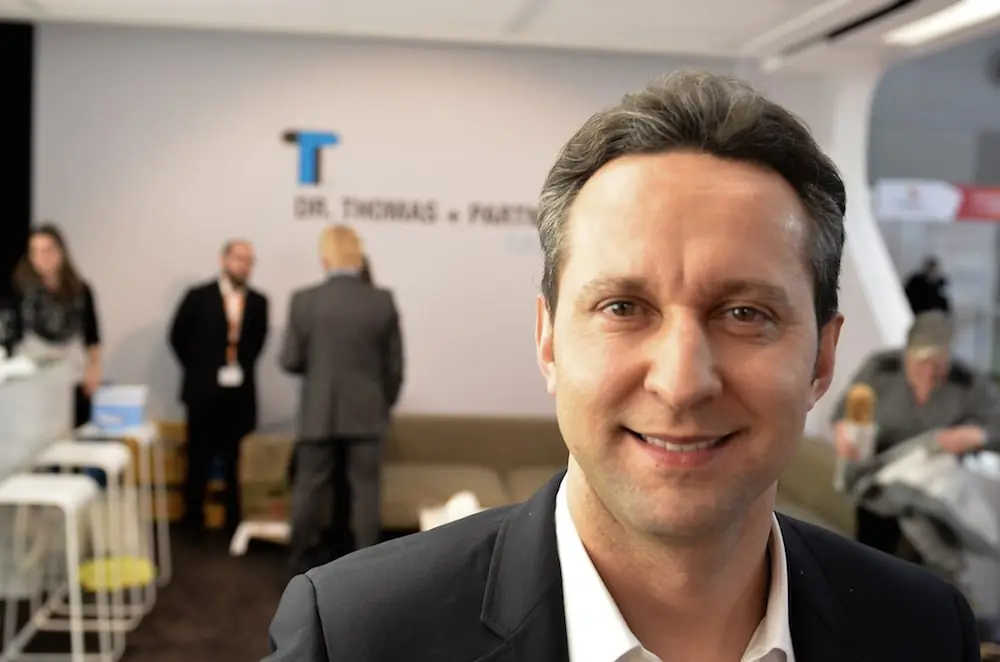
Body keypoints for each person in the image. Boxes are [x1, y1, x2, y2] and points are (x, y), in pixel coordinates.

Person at [264, 72, 979, 661]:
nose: (681, 381)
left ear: (822, 358)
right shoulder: (356, 636)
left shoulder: (924, 632)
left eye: (744, 314)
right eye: (623, 307)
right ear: (548, 341)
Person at [279, 228, 403, 578]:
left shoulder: (303, 300)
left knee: (308, 490)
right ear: (358, 257)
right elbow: (394, 369)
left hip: (317, 413)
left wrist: (320, 373)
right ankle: (365, 574)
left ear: (325, 259)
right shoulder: (382, 301)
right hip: (367, 414)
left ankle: (298, 567)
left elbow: (290, 360)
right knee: (366, 493)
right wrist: (381, 404)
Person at [832, 310, 1000, 561]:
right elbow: (843, 412)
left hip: (930, 489)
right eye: (922, 363)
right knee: (872, 553)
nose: (930, 373)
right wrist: (845, 435)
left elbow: (995, 426)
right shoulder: (882, 368)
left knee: (924, 558)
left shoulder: (967, 383)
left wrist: (976, 435)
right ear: (907, 354)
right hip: (877, 482)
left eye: (938, 365)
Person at [168, 239, 269, 536]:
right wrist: (199, 369)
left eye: (249, 260)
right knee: (197, 458)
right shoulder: (198, 297)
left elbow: (257, 344)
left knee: (234, 461)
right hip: (203, 393)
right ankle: (193, 522)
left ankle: (232, 523)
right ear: (224, 260)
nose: (244, 266)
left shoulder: (258, 302)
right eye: (238, 259)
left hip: (238, 395)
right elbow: (177, 336)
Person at [12, 224, 102, 427]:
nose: (41, 257)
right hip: (33, 371)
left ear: (60, 251)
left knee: (72, 427)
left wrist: (94, 367)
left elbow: (92, 335)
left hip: (71, 369)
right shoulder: (19, 290)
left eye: (47, 250)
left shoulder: (81, 291)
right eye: (35, 251)